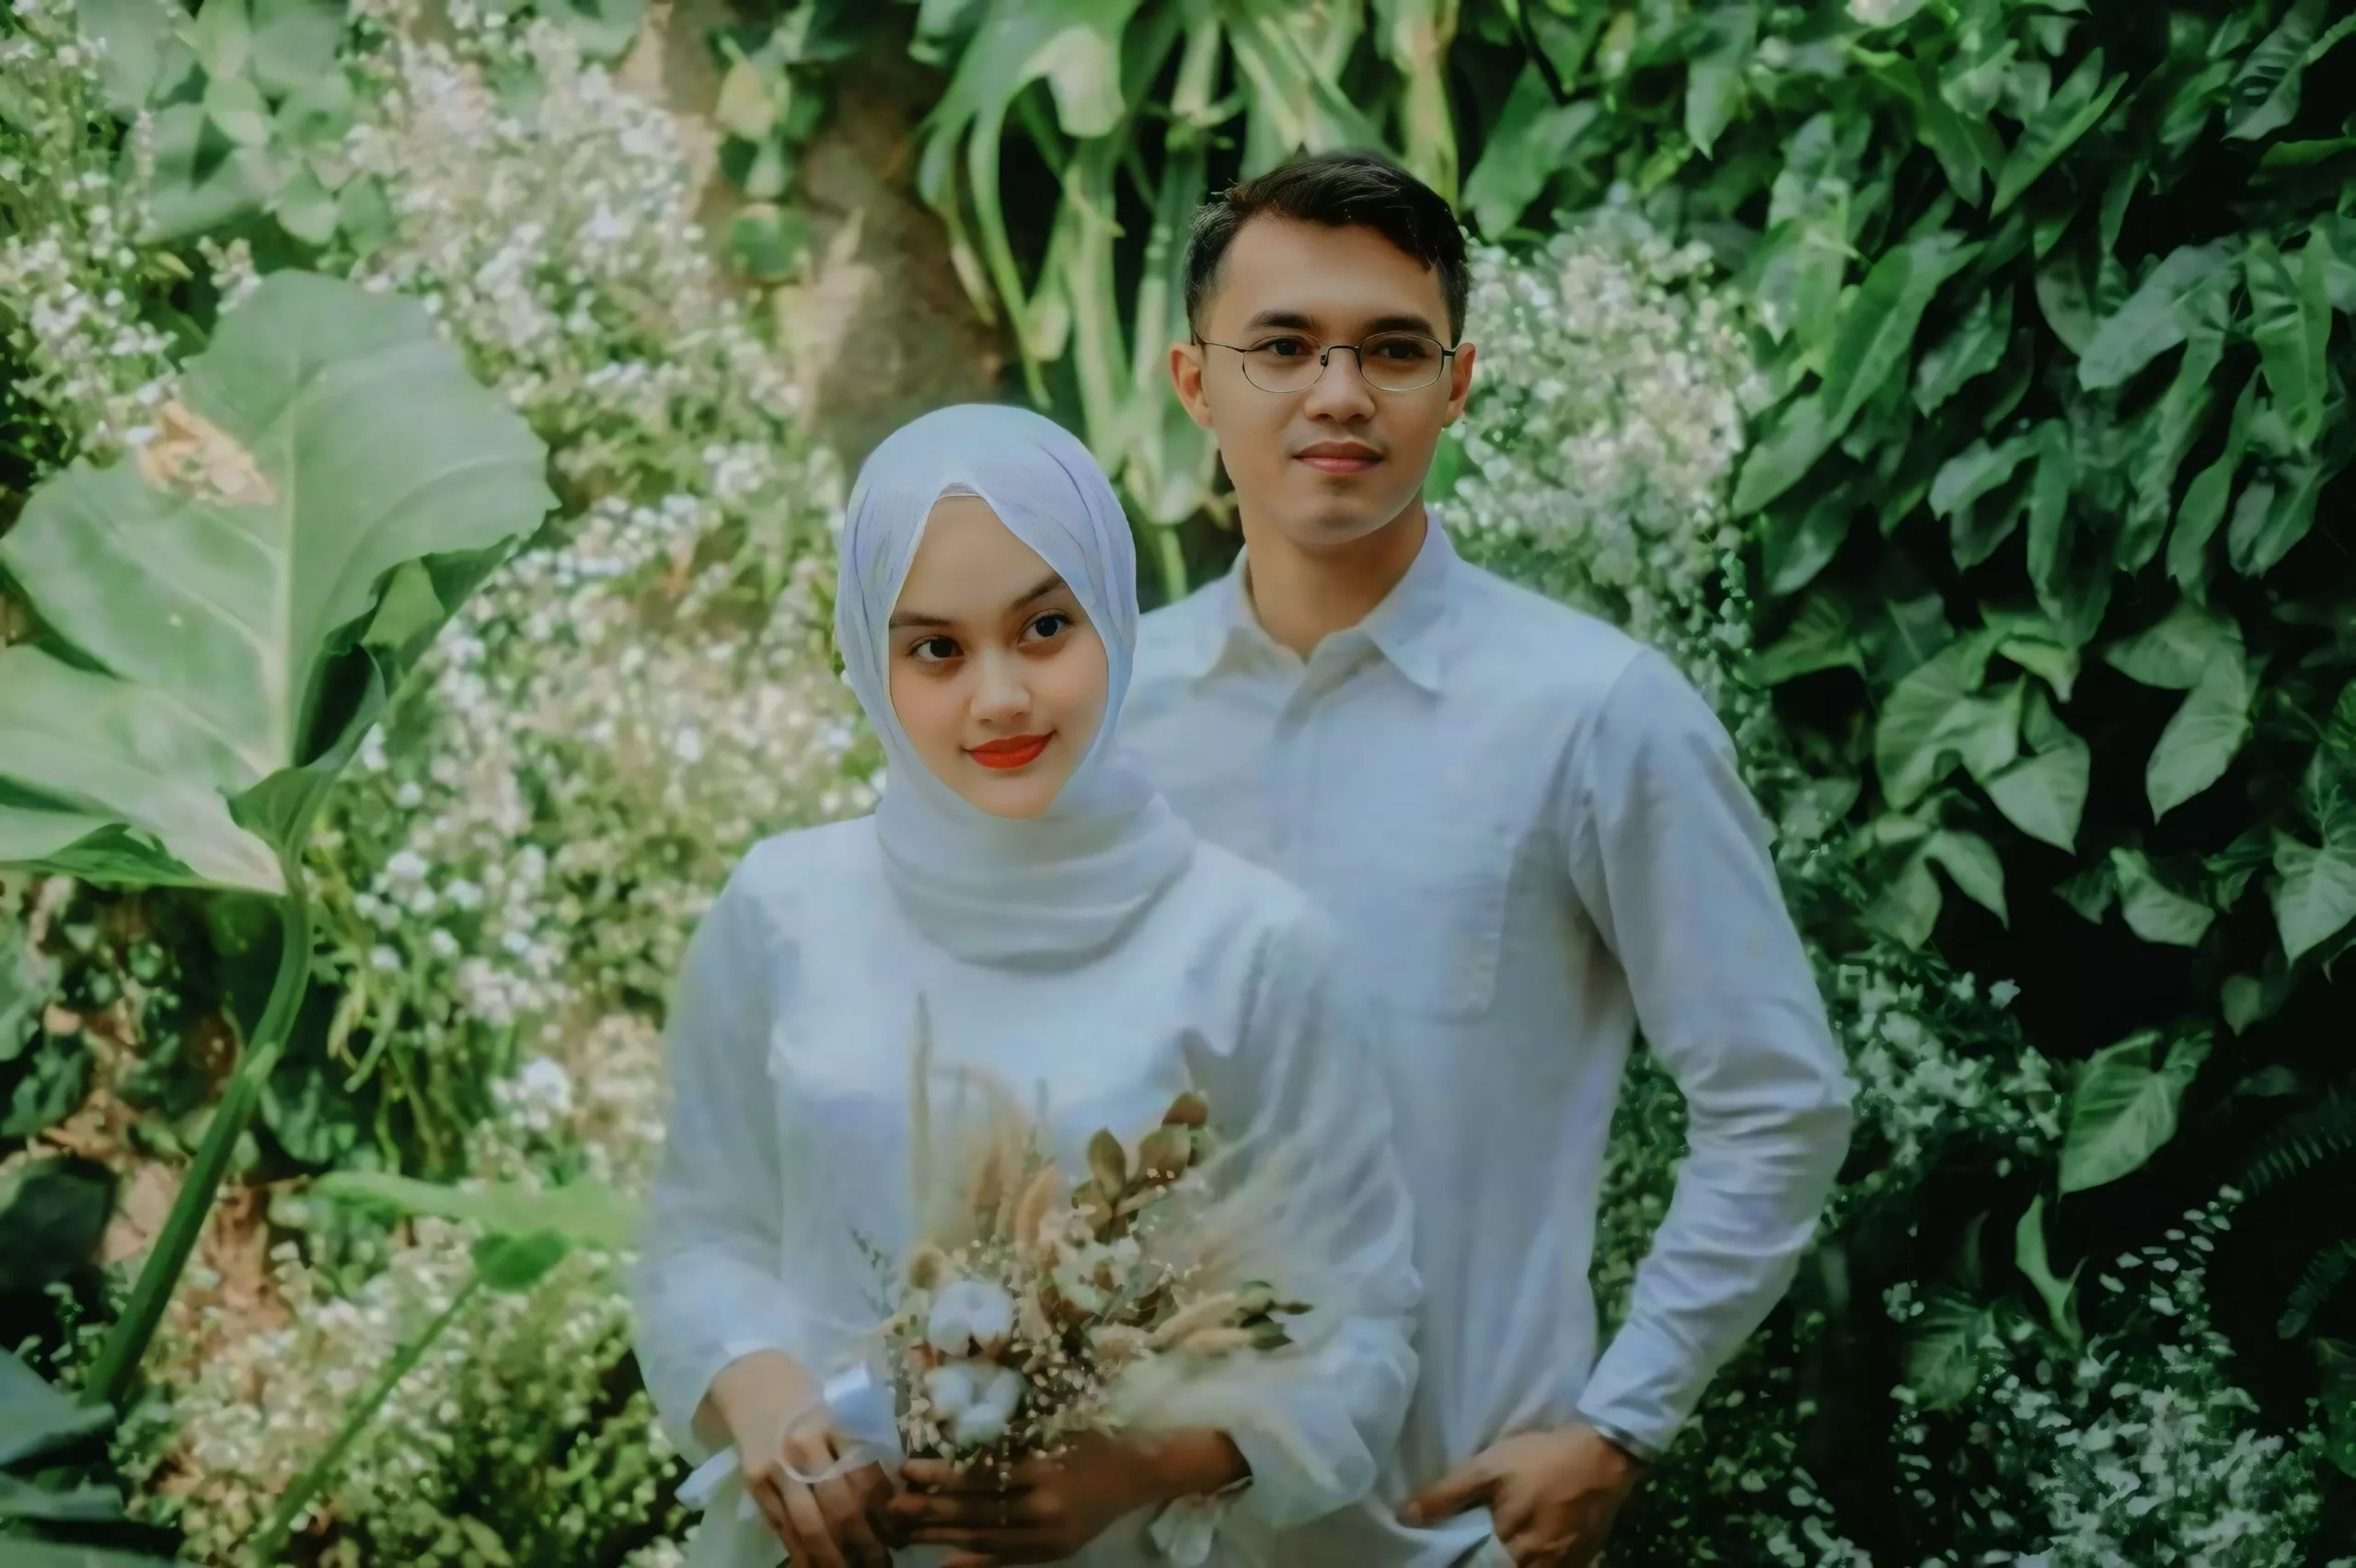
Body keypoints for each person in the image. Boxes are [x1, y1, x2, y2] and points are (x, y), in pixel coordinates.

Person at [1121, 151, 1856, 1568]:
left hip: (1444, 1532)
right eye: (1284, 346)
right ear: (1196, 384)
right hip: (1130, 1534)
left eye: (1393, 350)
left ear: (1455, 387)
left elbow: (1779, 1096)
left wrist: (1623, 1422)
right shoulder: (1109, 720)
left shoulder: (1595, 714)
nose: (1340, 393)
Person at [631, 403, 1421, 1568]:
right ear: (870, 660)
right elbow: (699, 1238)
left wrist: (1139, 1468)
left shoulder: (1252, 948)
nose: (998, 696)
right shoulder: (782, 911)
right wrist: (762, 1397)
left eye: (1045, 627)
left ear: (1113, 613)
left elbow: (1360, 1328)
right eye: (936, 650)